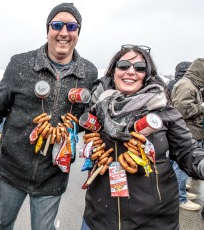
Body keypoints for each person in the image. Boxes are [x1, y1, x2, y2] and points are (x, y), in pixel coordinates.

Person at [0, 3, 97, 229]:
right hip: (12, 168)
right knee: (1, 223)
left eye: (71, 26)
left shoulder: (89, 72)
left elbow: (87, 120)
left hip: (53, 174)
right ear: (48, 30)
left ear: (78, 33)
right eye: (57, 25)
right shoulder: (20, 63)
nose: (64, 32)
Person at [80, 45, 204, 229]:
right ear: (113, 71)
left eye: (139, 68)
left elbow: (187, 151)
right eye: (124, 65)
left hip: (154, 220)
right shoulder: (96, 106)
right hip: (99, 218)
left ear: (146, 74)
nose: (131, 71)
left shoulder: (163, 109)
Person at [168, 61, 201, 211]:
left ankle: (178, 194)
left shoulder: (189, 84)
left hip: (188, 130)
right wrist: (201, 107)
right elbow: (180, 109)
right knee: (180, 167)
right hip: (187, 131)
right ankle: (180, 197)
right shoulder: (187, 85)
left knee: (176, 166)